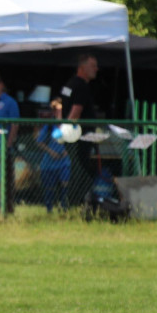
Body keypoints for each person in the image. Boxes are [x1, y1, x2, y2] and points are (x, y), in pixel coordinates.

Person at [60, 54, 99, 204]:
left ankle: (73, 201)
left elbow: (60, 106)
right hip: (79, 136)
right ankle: (75, 201)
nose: (96, 69)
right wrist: (69, 128)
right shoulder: (81, 85)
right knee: (81, 169)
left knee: (75, 167)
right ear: (82, 68)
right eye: (93, 65)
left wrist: (63, 128)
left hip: (70, 135)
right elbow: (76, 110)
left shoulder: (69, 84)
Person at [0, 72, 20, 214]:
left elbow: (14, 124)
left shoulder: (10, 102)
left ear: (1, 85)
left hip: (3, 149)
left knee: (4, 182)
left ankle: (7, 210)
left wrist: (8, 145)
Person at [34, 98, 70, 213]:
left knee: (64, 184)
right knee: (49, 187)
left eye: (61, 110)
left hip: (64, 161)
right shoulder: (49, 126)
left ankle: (64, 208)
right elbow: (39, 141)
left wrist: (67, 150)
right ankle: (49, 210)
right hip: (49, 162)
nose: (59, 112)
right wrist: (51, 152)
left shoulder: (68, 124)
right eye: (57, 110)